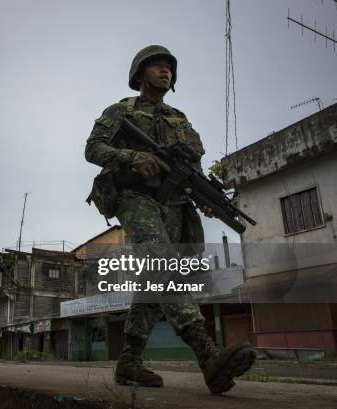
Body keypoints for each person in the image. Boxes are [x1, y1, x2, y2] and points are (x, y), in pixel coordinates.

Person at [84, 45, 255, 394]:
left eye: (169, 68)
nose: (165, 71)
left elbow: (193, 168)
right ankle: (207, 355)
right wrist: (133, 157)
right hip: (134, 196)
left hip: (175, 202)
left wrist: (208, 198)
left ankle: (129, 361)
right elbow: (93, 148)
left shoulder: (181, 119)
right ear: (139, 74)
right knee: (163, 262)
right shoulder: (121, 111)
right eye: (157, 66)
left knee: (153, 281)